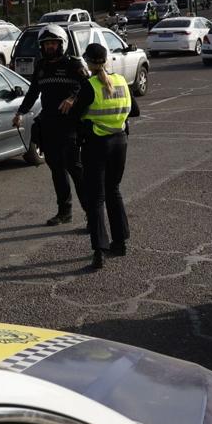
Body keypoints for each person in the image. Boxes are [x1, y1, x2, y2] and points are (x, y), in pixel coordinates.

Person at [12, 24, 89, 226]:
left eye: (54, 43)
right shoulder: (41, 67)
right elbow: (33, 93)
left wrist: (73, 98)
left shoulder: (74, 65)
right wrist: (21, 112)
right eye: (46, 44)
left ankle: (92, 215)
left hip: (70, 127)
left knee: (76, 171)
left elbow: (90, 89)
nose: (50, 47)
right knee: (57, 171)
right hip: (49, 127)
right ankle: (65, 212)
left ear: (61, 44)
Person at [72, 42, 140, 270]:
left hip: (96, 144)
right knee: (114, 190)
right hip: (120, 142)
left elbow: (73, 117)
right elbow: (136, 110)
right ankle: (120, 242)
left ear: (88, 62)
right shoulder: (120, 80)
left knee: (96, 197)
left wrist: (85, 122)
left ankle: (99, 251)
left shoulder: (88, 85)